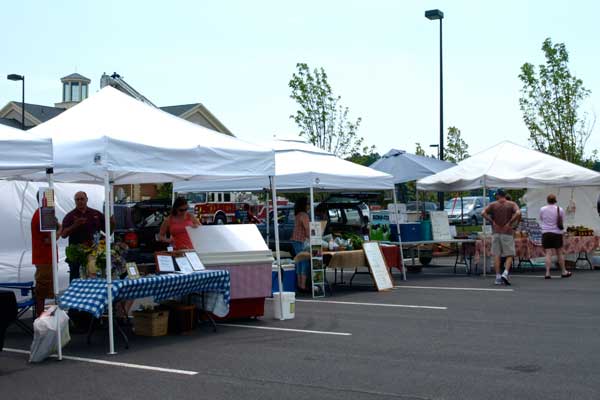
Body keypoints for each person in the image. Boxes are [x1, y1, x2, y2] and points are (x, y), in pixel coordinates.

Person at [61, 191, 106, 281]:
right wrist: (75, 225)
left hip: (95, 252)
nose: (80, 201)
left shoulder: (96, 213)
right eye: (77, 199)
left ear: (87, 200)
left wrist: (112, 224)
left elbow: (108, 231)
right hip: (77, 254)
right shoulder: (70, 216)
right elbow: (63, 234)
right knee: (75, 277)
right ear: (75, 201)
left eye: (82, 199)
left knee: (95, 276)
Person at [31, 194, 61, 317]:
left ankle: (42, 316)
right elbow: (50, 239)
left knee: (45, 288)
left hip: (47, 257)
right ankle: (41, 318)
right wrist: (60, 228)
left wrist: (58, 227)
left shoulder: (43, 214)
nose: (52, 201)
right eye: (51, 199)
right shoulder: (42, 216)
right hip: (45, 258)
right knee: (43, 289)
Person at [482, 189, 521, 285]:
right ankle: (505, 273)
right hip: (507, 232)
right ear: (505, 195)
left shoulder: (493, 205)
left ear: (498, 195)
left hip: (496, 232)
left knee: (496, 255)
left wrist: (492, 221)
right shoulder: (511, 204)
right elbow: (518, 213)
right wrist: (510, 222)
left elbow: (483, 213)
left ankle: (497, 277)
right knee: (510, 254)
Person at [539, 194, 572, 279]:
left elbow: (541, 219)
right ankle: (564, 271)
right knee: (559, 253)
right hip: (557, 233)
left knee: (548, 253)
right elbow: (562, 220)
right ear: (555, 200)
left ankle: (547, 273)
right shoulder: (559, 209)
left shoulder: (542, 209)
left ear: (547, 200)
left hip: (546, 232)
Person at [291, 197, 310, 290]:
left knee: (299, 262)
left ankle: (299, 284)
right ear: (304, 205)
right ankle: (303, 285)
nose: (309, 206)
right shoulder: (304, 215)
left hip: (295, 240)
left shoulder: (298, 214)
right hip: (301, 240)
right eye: (308, 204)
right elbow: (307, 230)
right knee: (304, 261)